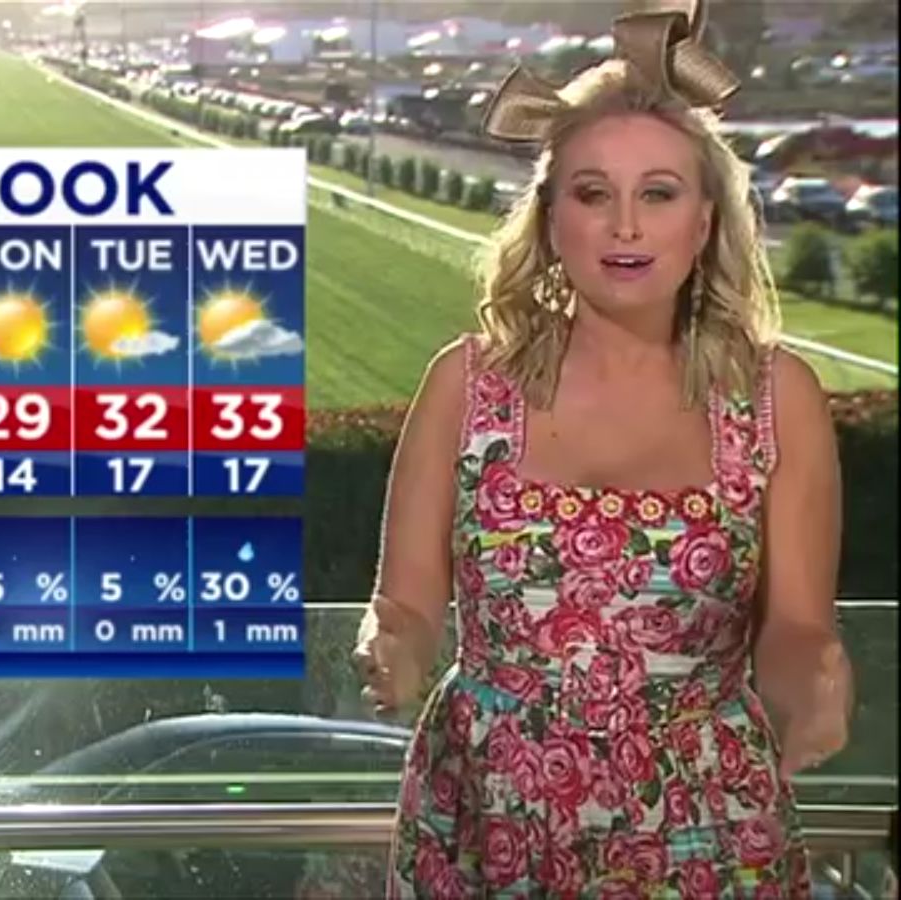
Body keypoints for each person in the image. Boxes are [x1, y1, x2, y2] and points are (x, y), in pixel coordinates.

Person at [352, 1, 854, 896]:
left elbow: (795, 627)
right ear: (552, 220)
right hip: (488, 815)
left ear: (704, 222)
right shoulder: (466, 386)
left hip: (706, 825)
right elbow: (408, 603)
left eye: (658, 194)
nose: (626, 226)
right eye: (593, 194)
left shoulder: (779, 399)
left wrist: (812, 682)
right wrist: (392, 646)